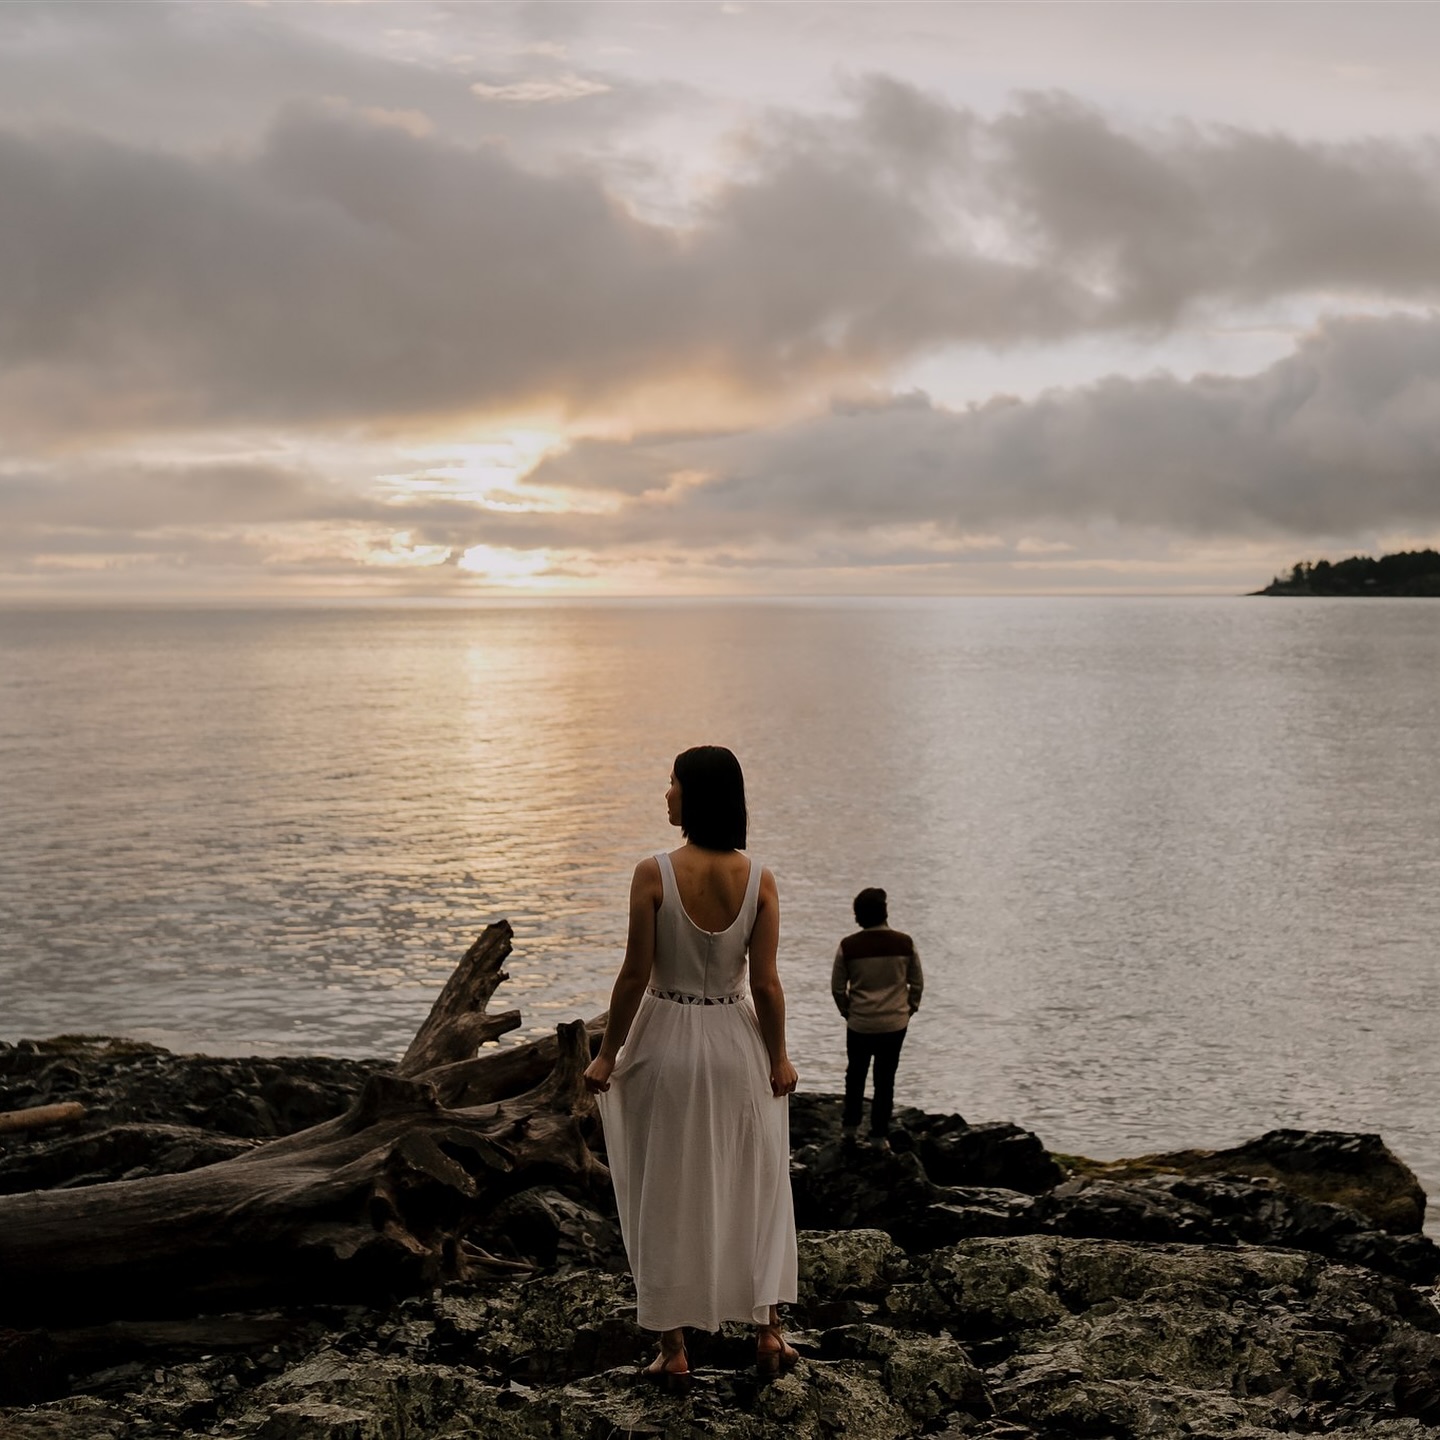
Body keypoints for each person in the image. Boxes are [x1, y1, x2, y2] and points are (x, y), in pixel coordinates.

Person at [584, 745, 799, 1390]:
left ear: (696, 795)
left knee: (663, 1189)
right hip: (736, 1040)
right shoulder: (760, 879)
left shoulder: (653, 873)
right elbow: (765, 984)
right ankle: (768, 1329)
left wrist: (607, 1054)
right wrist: (779, 1056)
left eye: (673, 783)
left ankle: (673, 1347)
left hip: (665, 1040)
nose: (666, 793)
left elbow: (633, 975)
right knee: (757, 1182)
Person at [831, 887, 923, 1148]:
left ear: (860, 915)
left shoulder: (849, 946)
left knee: (855, 1075)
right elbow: (917, 983)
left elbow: (837, 988)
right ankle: (878, 1136)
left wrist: (847, 1011)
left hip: (860, 1023)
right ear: (884, 912)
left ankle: (849, 1129)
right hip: (895, 1023)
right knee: (885, 1079)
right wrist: (909, 1009)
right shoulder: (905, 943)